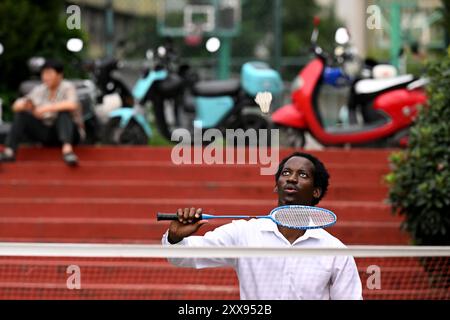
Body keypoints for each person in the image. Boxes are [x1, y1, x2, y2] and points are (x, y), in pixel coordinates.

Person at [161, 152, 363, 300]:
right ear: (277, 185)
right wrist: (175, 237)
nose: (292, 178)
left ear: (316, 192)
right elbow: (182, 257)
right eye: (286, 172)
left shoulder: (334, 251)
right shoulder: (244, 234)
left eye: (302, 175)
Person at [0, 59, 82, 166]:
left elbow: (72, 104)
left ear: (59, 75)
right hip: (47, 132)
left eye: (49, 73)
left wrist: (47, 108)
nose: (45, 77)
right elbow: (16, 106)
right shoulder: (40, 89)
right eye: (43, 73)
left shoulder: (67, 87)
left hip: (70, 133)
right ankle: (10, 151)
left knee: (63, 112)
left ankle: (67, 150)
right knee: (22, 115)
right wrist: (27, 106)